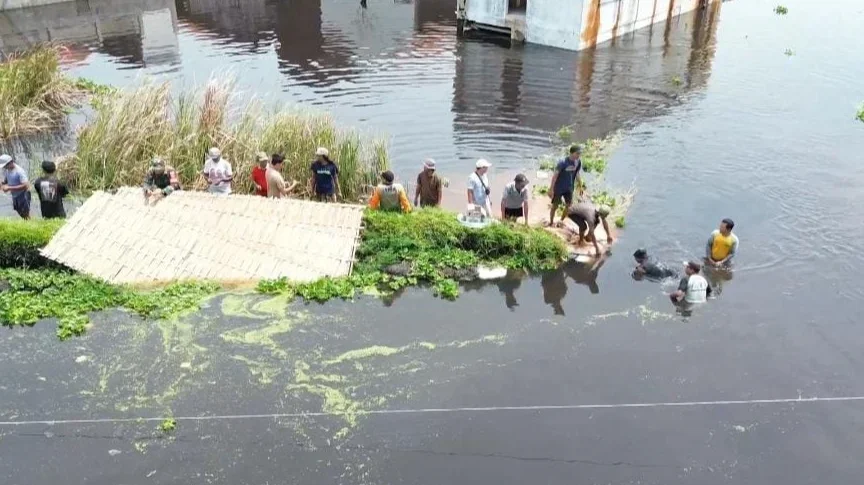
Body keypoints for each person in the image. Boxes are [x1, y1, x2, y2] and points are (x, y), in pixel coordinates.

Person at [548, 145, 583, 226]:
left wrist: (580, 186)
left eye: (579, 154)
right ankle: (551, 222)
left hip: (569, 188)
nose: (578, 155)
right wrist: (551, 189)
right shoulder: (562, 162)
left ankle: (561, 221)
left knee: (569, 206)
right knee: (555, 206)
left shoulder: (578, 162)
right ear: (571, 153)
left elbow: (577, 174)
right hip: (559, 188)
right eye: (577, 153)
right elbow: (555, 176)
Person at [1, 154, 31, 219]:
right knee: (19, 210)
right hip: (15, 195)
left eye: (5, 166)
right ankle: (26, 222)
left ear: (11, 162)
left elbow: (26, 185)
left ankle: (30, 224)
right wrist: (2, 183)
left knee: (25, 212)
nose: (4, 168)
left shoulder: (19, 171)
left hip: (23, 195)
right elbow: (6, 180)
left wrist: (9, 188)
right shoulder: (8, 170)